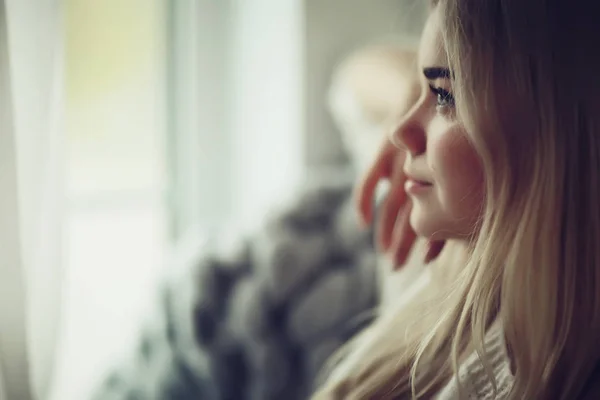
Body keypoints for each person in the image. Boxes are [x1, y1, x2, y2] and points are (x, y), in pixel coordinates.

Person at [313, 0, 600, 399]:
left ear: (551, 140)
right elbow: (354, 77)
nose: (400, 133)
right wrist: (418, 82)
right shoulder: (436, 240)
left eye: (446, 97)